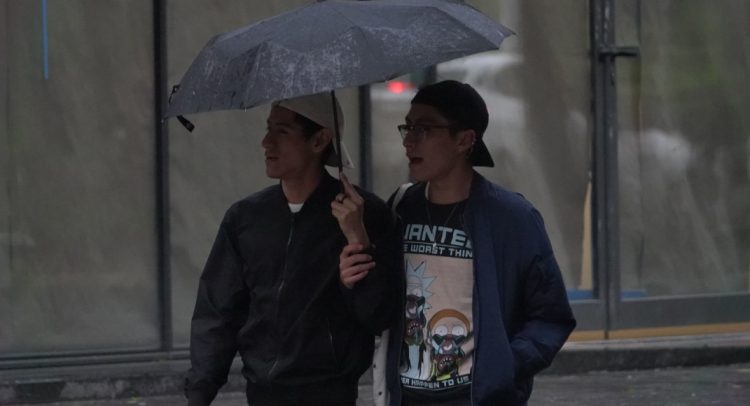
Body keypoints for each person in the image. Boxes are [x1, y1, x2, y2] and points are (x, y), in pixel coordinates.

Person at [337, 80, 577, 405]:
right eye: (407, 127)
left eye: (423, 129)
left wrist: (503, 366)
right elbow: (381, 312)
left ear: (464, 140)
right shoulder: (402, 207)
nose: (408, 141)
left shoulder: (512, 217)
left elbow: (550, 316)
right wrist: (356, 265)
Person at [184, 92, 401, 406]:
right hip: (261, 395)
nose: (266, 142)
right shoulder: (245, 218)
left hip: (331, 395)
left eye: (281, 131)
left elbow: (379, 315)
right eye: (268, 128)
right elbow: (217, 312)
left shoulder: (366, 215)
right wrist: (199, 394)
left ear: (319, 140)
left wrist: (357, 238)